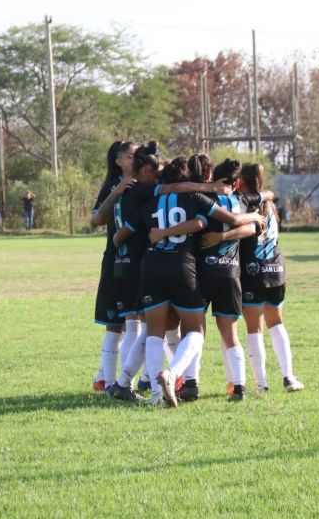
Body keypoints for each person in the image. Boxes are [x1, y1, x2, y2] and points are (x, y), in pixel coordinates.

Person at [114, 157, 263, 407]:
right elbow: (206, 222)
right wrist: (255, 217)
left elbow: (120, 237)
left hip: (150, 269)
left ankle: (155, 395)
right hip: (185, 269)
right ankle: (174, 375)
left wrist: (153, 234)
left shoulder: (150, 202)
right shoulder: (195, 199)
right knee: (196, 330)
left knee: (154, 334)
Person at [204, 162, 304, 395]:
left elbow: (246, 229)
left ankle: (262, 384)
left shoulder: (243, 201)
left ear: (243, 181)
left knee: (253, 328)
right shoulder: (267, 201)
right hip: (276, 267)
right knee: (277, 323)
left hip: (252, 269)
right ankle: (288, 377)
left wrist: (221, 236)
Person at [89, 140, 137, 392]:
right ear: (118, 160)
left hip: (137, 262)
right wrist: (116, 192)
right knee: (116, 324)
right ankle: (108, 383)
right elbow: (95, 219)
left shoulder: (144, 181)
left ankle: (104, 377)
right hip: (115, 260)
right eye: (130, 156)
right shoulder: (112, 185)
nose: (135, 158)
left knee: (133, 323)